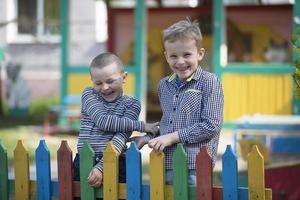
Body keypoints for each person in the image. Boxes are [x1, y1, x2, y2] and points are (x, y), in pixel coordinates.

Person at [147, 19, 224, 185]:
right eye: (173, 56)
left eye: (187, 55)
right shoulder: (163, 85)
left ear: (200, 53)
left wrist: (172, 137)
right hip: (166, 161)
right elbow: (170, 122)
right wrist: (150, 136)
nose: (180, 62)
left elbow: (211, 125)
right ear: (166, 56)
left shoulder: (209, 82)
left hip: (195, 164)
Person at [73, 52, 159, 188]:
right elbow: (102, 121)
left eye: (110, 81)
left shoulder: (132, 104)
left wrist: (101, 167)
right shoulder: (89, 94)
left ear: (124, 77)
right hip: (85, 161)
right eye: (98, 83)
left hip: (116, 162)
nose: (105, 87)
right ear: (92, 81)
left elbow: (120, 138)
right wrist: (141, 126)